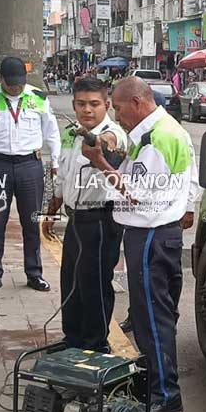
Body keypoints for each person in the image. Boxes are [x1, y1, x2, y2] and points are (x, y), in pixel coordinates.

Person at [81, 76, 199, 412]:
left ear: (136, 102)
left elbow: (137, 193)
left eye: (117, 108)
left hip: (149, 236)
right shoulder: (171, 129)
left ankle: (164, 394)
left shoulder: (154, 139)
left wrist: (101, 164)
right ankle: (158, 384)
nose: (116, 117)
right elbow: (188, 178)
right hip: (163, 233)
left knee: (151, 320)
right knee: (159, 316)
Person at [42, 77, 128, 352]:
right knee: (71, 281)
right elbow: (62, 174)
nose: (87, 110)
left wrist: (99, 142)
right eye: (81, 104)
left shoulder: (114, 132)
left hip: (102, 220)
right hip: (75, 219)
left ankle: (95, 344)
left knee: (95, 285)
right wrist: (52, 209)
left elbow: (111, 145)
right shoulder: (70, 134)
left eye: (94, 104)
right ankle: (73, 339)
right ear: (74, 104)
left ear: (107, 105)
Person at [0, 57, 62, 293]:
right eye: (11, 84)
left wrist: (56, 162)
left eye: (19, 84)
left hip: (30, 165)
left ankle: (34, 274)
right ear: (2, 80)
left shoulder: (38, 98)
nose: (15, 88)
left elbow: (52, 132)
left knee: (31, 222)